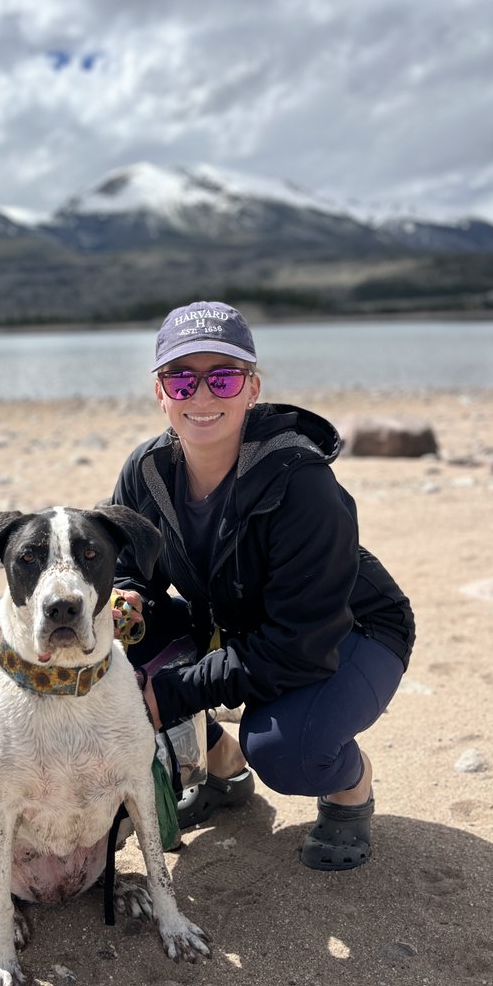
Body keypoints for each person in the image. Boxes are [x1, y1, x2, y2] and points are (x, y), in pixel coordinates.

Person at [110, 301, 415, 870]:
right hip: (238, 622)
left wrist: (172, 692)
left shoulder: (302, 483)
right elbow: (132, 568)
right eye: (181, 379)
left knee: (285, 750)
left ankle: (351, 788)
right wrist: (127, 602)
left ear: (252, 388)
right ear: (160, 392)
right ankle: (223, 770)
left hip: (349, 631)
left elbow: (299, 643)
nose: (201, 397)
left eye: (222, 378)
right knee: (126, 647)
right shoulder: (147, 471)